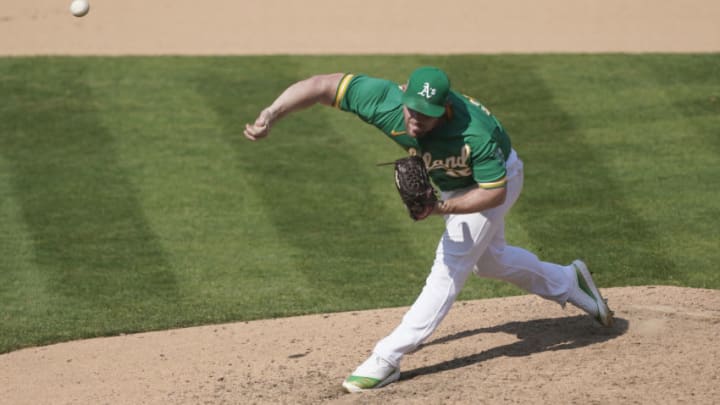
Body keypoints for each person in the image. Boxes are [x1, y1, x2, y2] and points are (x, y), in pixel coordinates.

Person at [244, 67, 614, 393]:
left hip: (491, 183)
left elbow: (493, 192)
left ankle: (387, 357)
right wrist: (271, 113)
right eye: (412, 111)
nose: (416, 121)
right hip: (456, 186)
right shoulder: (384, 100)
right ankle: (568, 281)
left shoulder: (474, 134)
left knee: (449, 268)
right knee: (489, 262)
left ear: (446, 109)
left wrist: (442, 208)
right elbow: (322, 85)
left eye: (427, 115)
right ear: (402, 94)